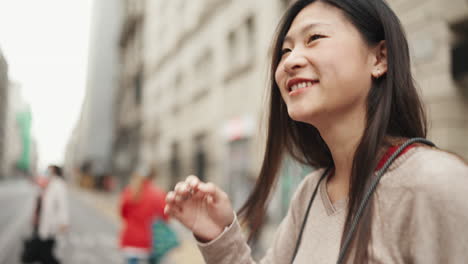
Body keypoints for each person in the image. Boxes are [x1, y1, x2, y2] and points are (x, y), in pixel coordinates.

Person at [164, 0, 468, 263]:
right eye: (285, 50)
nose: (291, 61)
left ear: (379, 58)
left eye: (314, 38)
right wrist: (218, 235)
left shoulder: (437, 184)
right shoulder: (311, 191)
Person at [119, 167, 169, 264]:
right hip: (150, 241)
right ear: (153, 177)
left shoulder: (129, 191)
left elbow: (123, 214)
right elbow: (165, 216)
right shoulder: (157, 193)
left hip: (131, 240)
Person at [37, 165, 69, 264]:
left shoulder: (59, 185)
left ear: (55, 172)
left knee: (48, 252)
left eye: (49, 171)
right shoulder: (50, 184)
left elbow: (63, 205)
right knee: (45, 252)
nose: (47, 173)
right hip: (46, 223)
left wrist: (64, 222)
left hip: (53, 224)